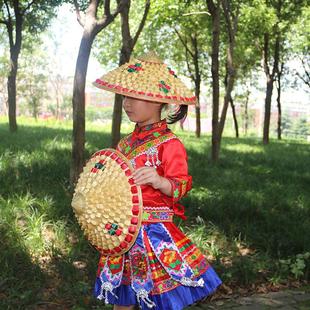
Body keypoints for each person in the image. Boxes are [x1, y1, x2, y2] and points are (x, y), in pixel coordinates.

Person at [92, 51, 222, 310]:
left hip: (154, 234)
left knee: (159, 299)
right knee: (123, 298)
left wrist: (160, 181)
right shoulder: (125, 143)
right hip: (124, 233)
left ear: (158, 100)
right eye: (126, 96)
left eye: (136, 97)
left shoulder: (169, 144)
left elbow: (181, 184)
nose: (127, 103)